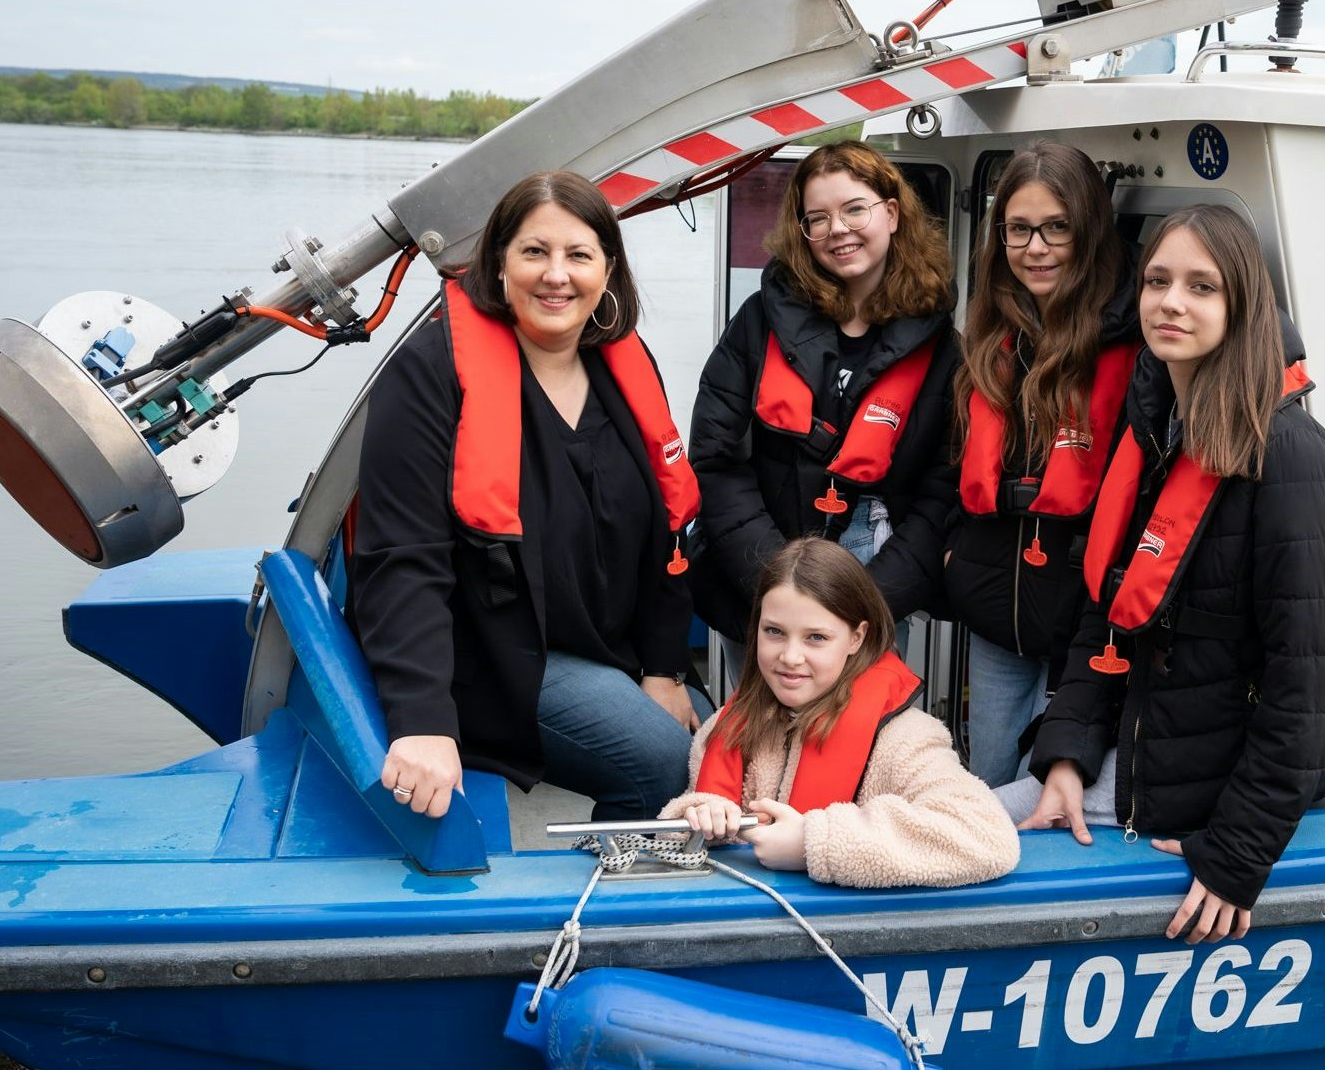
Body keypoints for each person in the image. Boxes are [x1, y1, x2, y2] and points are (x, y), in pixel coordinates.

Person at [1000, 204, 1325, 944]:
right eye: (1157, 281)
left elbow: (1314, 685)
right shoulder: (1153, 428)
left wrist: (1235, 855)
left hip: (1219, 794)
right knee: (962, 815)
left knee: (965, 832)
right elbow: (1102, 613)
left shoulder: (1293, 455)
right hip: (1145, 756)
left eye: (1202, 287)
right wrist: (1067, 755)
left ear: (1243, 308)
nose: (1171, 302)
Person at [350, 169, 712, 822]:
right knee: (663, 759)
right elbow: (402, 558)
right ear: (498, 262)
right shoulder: (431, 373)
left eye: (578, 254)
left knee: (724, 752)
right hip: (492, 657)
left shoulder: (626, 368)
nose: (556, 275)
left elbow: (668, 534)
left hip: (612, 650)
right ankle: (598, 914)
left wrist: (665, 670)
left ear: (608, 269)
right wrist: (422, 718)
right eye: (534, 252)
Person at [688, 141, 960, 673]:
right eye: (818, 217)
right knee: (758, 742)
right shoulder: (758, 322)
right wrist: (778, 589)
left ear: (892, 212)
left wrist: (867, 605)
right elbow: (716, 458)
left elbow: (939, 492)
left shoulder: (942, 347)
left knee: (856, 746)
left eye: (855, 208)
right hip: (758, 574)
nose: (838, 229)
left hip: (872, 582)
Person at [945, 141, 1138, 786]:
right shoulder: (991, 333)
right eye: (1019, 230)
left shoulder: (1133, 346)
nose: (1036, 248)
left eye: (1057, 228)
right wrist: (954, 553)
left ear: (1089, 231)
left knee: (1048, 793)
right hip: (996, 613)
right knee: (991, 777)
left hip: (1084, 620)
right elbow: (955, 462)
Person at [664, 538, 1019, 888]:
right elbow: (682, 847)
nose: (790, 656)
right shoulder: (719, 729)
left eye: (816, 637)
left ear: (856, 638)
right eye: (774, 632)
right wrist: (698, 817)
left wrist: (813, 844)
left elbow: (988, 836)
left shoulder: (905, 738)